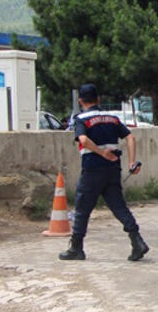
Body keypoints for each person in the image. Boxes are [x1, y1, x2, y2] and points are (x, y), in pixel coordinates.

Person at [59, 83, 149, 262]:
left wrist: (101, 153)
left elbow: (83, 139)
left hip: (93, 168)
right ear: (98, 99)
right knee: (118, 206)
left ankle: (76, 248)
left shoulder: (81, 119)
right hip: (113, 169)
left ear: (80, 101)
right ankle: (137, 241)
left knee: (82, 208)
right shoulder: (112, 118)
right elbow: (130, 137)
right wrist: (131, 162)